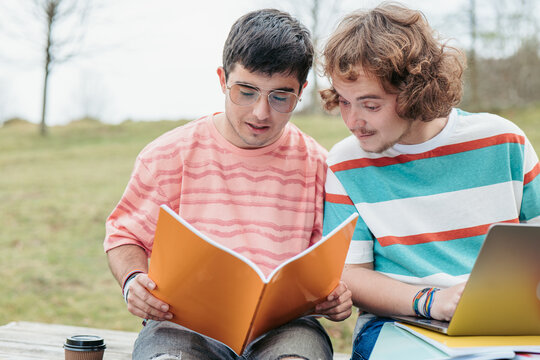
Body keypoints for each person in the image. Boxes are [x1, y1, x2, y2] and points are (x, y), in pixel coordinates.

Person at [104, 8, 352, 360]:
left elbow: (326, 266)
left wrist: (334, 296)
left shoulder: (318, 164)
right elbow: (123, 235)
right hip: (181, 322)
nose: (261, 113)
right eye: (246, 92)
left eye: (281, 96)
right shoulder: (166, 155)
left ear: (301, 92)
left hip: (286, 327)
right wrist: (133, 282)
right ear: (223, 80)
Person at [319, 3, 540, 359]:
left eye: (370, 105)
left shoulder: (504, 142)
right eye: (344, 102)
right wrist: (430, 301)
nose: (353, 120)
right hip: (398, 324)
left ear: (415, 91)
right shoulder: (346, 162)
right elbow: (351, 275)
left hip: (506, 325)